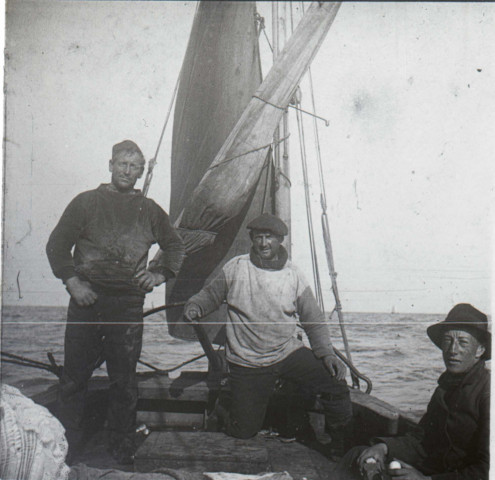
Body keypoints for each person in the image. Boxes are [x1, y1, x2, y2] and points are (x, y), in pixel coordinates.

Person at [46, 140, 185, 464]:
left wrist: (159, 274)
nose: (127, 170)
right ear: (110, 165)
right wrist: (73, 282)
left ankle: (121, 451)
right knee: (74, 378)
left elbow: (176, 248)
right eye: (122, 163)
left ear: (141, 171)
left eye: (134, 166)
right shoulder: (85, 203)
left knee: (124, 381)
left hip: (126, 305)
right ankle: (64, 451)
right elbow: (56, 246)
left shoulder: (149, 210)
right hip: (86, 301)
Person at [183, 213, 352, 451]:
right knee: (243, 432)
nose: (264, 243)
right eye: (259, 237)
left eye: (270, 238)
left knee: (334, 382)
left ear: (280, 240)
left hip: (286, 352)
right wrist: (195, 306)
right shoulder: (236, 267)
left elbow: (313, 320)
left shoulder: (294, 275)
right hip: (247, 359)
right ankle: (225, 407)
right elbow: (210, 295)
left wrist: (326, 355)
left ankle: (341, 445)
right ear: (252, 239)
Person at [333, 303, 490, 480]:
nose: (453, 350)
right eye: (448, 341)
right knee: (358, 455)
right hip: (434, 472)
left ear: (480, 350)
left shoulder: (487, 393)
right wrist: (384, 448)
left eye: (462, 342)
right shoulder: (445, 388)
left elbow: (486, 469)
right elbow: (422, 441)